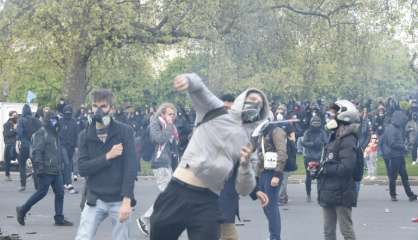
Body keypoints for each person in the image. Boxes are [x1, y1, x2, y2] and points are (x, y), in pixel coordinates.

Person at [150, 73, 259, 240]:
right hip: (178, 190)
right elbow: (199, 88)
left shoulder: (249, 143)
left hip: (207, 201)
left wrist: (245, 165)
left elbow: (245, 188)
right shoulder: (214, 111)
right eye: (251, 99)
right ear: (241, 100)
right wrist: (187, 80)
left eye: (259, 104)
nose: (254, 104)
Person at [75, 89, 138, 240]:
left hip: (119, 198)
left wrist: (127, 200)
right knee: (82, 237)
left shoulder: (124, 131)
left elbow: (131, 167)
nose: (98, 110)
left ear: (112, 108)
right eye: (95, 106)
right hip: (95, 197)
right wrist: (108, 156)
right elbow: (82, 169)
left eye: (103, 106)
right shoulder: (85, 135)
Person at [312, 100, 360, 240]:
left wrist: (325, 168)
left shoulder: (348, 139)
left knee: (346, 231)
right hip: (328, 191)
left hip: (342, 193)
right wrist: (318, 168)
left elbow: (346, 167)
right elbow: (330, 162)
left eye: (332, 114)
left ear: (343, 116)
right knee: (328, 232)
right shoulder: (334, 137)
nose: (328, 117)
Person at [16, 111, 73, 226]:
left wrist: (61, 164)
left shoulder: (55, 133)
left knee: (60, 193)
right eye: (52, 119)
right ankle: (22, 210)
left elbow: (56, 151)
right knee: (41, 192)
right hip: (46, 169)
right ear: (47, 121)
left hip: (56, 169)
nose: (55, 122)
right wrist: (40, 167)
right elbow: (37, 151)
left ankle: (59, 218)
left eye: (56, 119)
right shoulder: (41, 133)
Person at [137, 102, 179, 236]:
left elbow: (173, 144)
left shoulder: (169, 126)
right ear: (162, 113)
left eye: (173, 114)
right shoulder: (155, 124)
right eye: (169, 114)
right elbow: (159, 139)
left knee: (169, 195)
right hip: (159, 162)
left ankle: (155, 221)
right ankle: (146, 219)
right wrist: (170, 126)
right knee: (168, 195)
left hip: (168, 163)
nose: (172, 116)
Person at [251, 119, 288, 240]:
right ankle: (273, 234)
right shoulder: (262, 133)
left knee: (271, 206)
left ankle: (275, 237)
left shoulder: (276, 131)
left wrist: (277, 174)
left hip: (272, 172)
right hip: (262, 171)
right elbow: (254, 150)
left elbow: (282, 153)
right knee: (265, 205)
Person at [382, 110, 418, 202]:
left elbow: (399, 140)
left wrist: (404, 146)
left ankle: (410, 195)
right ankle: (393, 195)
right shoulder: (391, 128)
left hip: (400, 156)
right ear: (397, 119)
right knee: (393, 177)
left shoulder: (397, 128)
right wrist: (403, 147)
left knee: (404, 176)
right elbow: (392, 143)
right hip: (394, 156)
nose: (403, 121)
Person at [301, 116, 327, 202]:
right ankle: (308, 194)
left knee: (320, 176)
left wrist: (321, 143)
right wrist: (313, 144)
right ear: (311, 123)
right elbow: (303, 142)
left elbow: (326, 142)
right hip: (309, 157)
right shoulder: (307, 132)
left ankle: (320, 194)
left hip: (319, 157)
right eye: (314, 123)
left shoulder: (322, 132)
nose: (316, 125)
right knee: (308, 176)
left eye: (317, 123)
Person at [16, 104, 41, 191]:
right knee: (35, 166)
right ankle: (37, 186)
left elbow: (19, 133)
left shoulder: (21, 120)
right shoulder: (36, 120)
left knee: (22, 165)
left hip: (24, 145)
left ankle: (23, 185)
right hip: (34, 146)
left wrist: (17, 143)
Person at [59, 105, 79, 194]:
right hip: (62, 145)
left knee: (68, 164)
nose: (67, 114)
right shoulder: (60, 121)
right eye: (66, 113)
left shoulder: (74, 122)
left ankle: (64, 183)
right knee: (67, 163)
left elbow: (76, 134)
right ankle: (68, 184)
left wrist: (76, 146)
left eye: (69, 113)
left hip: (71, 146)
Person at [3, 111, 18, 181]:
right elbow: (7, 134)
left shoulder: (15, 124)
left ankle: (24, 175)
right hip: (9, 145)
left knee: (21, 159)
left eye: (16, 115)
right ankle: (7, 175)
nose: (16, 117)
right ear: (11, 116)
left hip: (15, 145)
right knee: (8, 162)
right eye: (15, 115)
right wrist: (15, 130)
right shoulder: (6, 124)